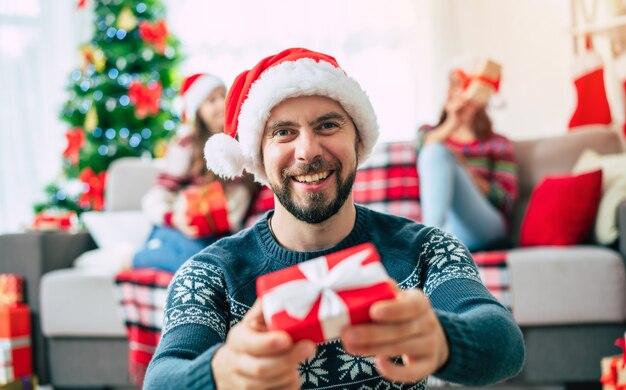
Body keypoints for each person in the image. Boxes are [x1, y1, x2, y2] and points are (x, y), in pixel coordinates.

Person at [144, 48, 525, 389]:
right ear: (258, 157)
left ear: (359, 142)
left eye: (327, 125)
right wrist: (220, 373)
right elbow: (163, 379)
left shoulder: (426, 248)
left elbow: (504, 344)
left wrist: (444, 340)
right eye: (283, 132)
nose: (307, 150)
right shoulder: (210, 274)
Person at [133, 73, 256, 273]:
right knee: (200, 265)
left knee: (225, 263)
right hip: (176, 227)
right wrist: (173, 218)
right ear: (198, 110)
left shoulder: (244, 143)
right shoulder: (186, 146)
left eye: (223, 95)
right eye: (211, 100)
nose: (220, 104)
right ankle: (137, 257)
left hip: (216, 234)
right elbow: (158, 194)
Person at [416, 67, 518, 252]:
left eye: (463, 87)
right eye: (454, 87)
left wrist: (464, 170)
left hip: (487, 226)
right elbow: (425, 151)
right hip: (449, 228)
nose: (457, 93)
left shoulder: (498, 143)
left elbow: (506, 201)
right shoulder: (428, 134)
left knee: (436, 152)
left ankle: (428, 249)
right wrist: (453, 122)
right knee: (434, 151)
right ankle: (433, 242)